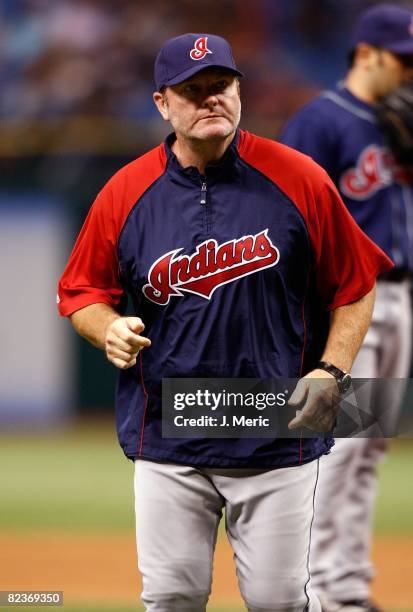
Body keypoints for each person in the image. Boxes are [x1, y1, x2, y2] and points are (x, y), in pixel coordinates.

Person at [58, 33, 392, 612]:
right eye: (193, 91)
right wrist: (105, 326)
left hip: (276, 432)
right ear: (162, 103)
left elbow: (356, 285)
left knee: (278, 601)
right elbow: (82, 291)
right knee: (171, 598)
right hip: (167, 436)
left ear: (240, 91)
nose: (211, 99)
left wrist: (333, 371)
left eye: (222, 86)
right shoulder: (125, 191)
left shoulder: (300, 178)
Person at [279, 5, 413, 612]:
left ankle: (348, 588)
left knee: (371, 447)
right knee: (341, 449)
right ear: (367, 53)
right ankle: (319, 591)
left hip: (399, 298)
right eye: (403, 61)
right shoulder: (321, 120)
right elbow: (288, 220)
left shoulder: (396, 122)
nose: (411, 72)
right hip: (355, 304)